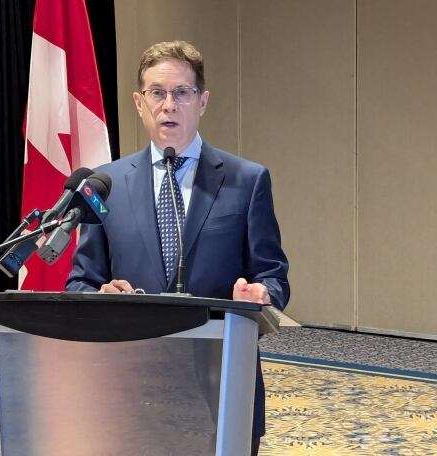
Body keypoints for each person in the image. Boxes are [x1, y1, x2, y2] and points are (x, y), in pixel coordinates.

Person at [66, 40, 289, 455]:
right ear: (139, 101)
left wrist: (262, 296)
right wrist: (100, 297)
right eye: (157, 92)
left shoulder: (247, 180)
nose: (169, 105)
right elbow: (80, 282)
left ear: (202, 102)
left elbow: (273, 275)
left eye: (182, 93)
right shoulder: (105, 184)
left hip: (220, 375)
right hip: (130, 380)